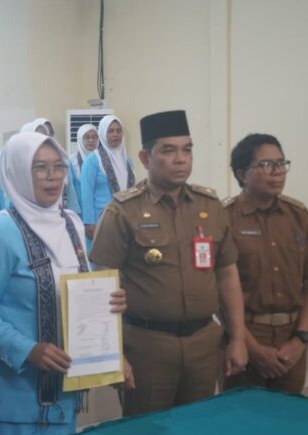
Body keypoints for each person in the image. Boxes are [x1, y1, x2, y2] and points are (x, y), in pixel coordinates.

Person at [0, 132, 131, 435]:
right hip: (14, 403)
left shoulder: (71, 224)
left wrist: (109, 304)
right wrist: (27, 350)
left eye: (58, 166)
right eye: (39, 167)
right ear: (17, 172)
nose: (52, 176)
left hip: (64, 398)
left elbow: (80, 291)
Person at [89, 110, 247, 417]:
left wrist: (238, 338)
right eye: (168, 150)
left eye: (187, 150)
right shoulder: (122, 211)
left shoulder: (210, 206)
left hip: (203, 343)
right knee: (148, 434)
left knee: (196, 430)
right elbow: (101, 286)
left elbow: (228, 274)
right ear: (145, 158)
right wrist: (113, 354)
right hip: (148, 346)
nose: (180, 159)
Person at [223, 133, 308, 393]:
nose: (278, 172)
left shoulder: (298, 215)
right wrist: (252, 348)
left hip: (291, 337)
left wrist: (301, 339)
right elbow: (219, 292)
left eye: (281, 163)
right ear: (242, 174)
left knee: (289, 415)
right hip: (245, 336)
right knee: (243, 414)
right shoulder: (225, 218)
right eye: (266, 165)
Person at [80, 115, 136, 242]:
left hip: (127, 220)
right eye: (110, 131)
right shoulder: (92, 160)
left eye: (118, 130)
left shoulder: (128, 161)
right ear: (103, 133)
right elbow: (86, 193)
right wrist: (89, 222)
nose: (115, 134)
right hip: (102, 220)